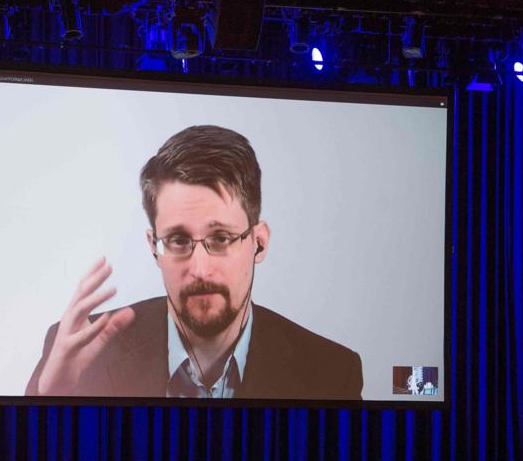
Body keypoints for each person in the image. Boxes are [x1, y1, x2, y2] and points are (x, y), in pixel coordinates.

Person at [25, 125, 363, 401]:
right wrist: (52, 395)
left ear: (259, 243)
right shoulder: (86, 355)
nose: (200, 269)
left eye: (220, 239)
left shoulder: (331, 372)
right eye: (178, 240)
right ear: (153, 248)